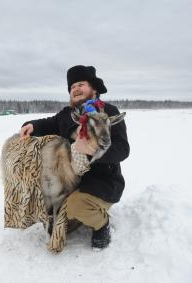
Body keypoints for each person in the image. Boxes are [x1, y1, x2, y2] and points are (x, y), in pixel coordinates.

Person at [19, 65, 130, 250]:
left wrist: (92, 150)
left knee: (77, 206)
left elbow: (123, 149)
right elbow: (48, 123)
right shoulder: (66, 115)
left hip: (102, 183)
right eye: (72, 87)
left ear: (93, 88)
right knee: (54, 217)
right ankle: (74, 213)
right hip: (72, 181)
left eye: (81, 84)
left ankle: (101, 224)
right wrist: (31, 125)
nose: (76, 89)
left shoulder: (108, 112)